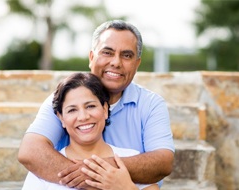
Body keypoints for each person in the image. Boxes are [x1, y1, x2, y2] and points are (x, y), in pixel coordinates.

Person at [18, 20, 175, 189]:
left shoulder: (151, 104)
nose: (116, 62)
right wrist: (95, 181)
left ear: (137, 64)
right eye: (107, 52)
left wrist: (106, 176)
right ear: (92, 57)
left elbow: (163, 162)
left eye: (127, 55)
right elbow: (30, 151)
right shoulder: (64, 98)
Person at [22, 72, 158, 190]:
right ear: (61, 118)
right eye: (72, 110)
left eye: (90, 106)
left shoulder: (130, 159)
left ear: (105, 109)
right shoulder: (43, 169)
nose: (83, 117)